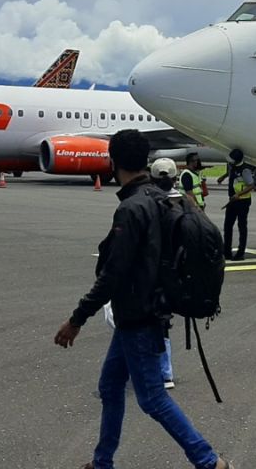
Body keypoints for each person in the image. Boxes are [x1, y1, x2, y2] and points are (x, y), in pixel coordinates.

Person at [53, 130, 230, 469]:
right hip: (143, 311)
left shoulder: (132, 208)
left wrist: (76, 320)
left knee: (153, 399)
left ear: (113, 161)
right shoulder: (159, 196)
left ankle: (209, 461)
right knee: (110, 386)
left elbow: (112, 275)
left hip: (139, 315)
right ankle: (102, 462)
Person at [149, 157, 182, 387]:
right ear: (175, 177)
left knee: (144, 321)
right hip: (176, 272)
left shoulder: (148, 203)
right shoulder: (185, 203)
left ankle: (160, 370)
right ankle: (165, 371)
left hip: (152, 271)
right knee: (163, 321)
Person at [218, 149, 254, 261]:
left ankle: (240, 252)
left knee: (242, 226)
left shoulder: (245, 170)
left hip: (242, 201)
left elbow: (251, 185)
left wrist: (239, 194)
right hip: (232, 200)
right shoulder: (232, 167)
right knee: (227, 225)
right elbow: (230, 173)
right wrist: (223, 176)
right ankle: (227, 251)